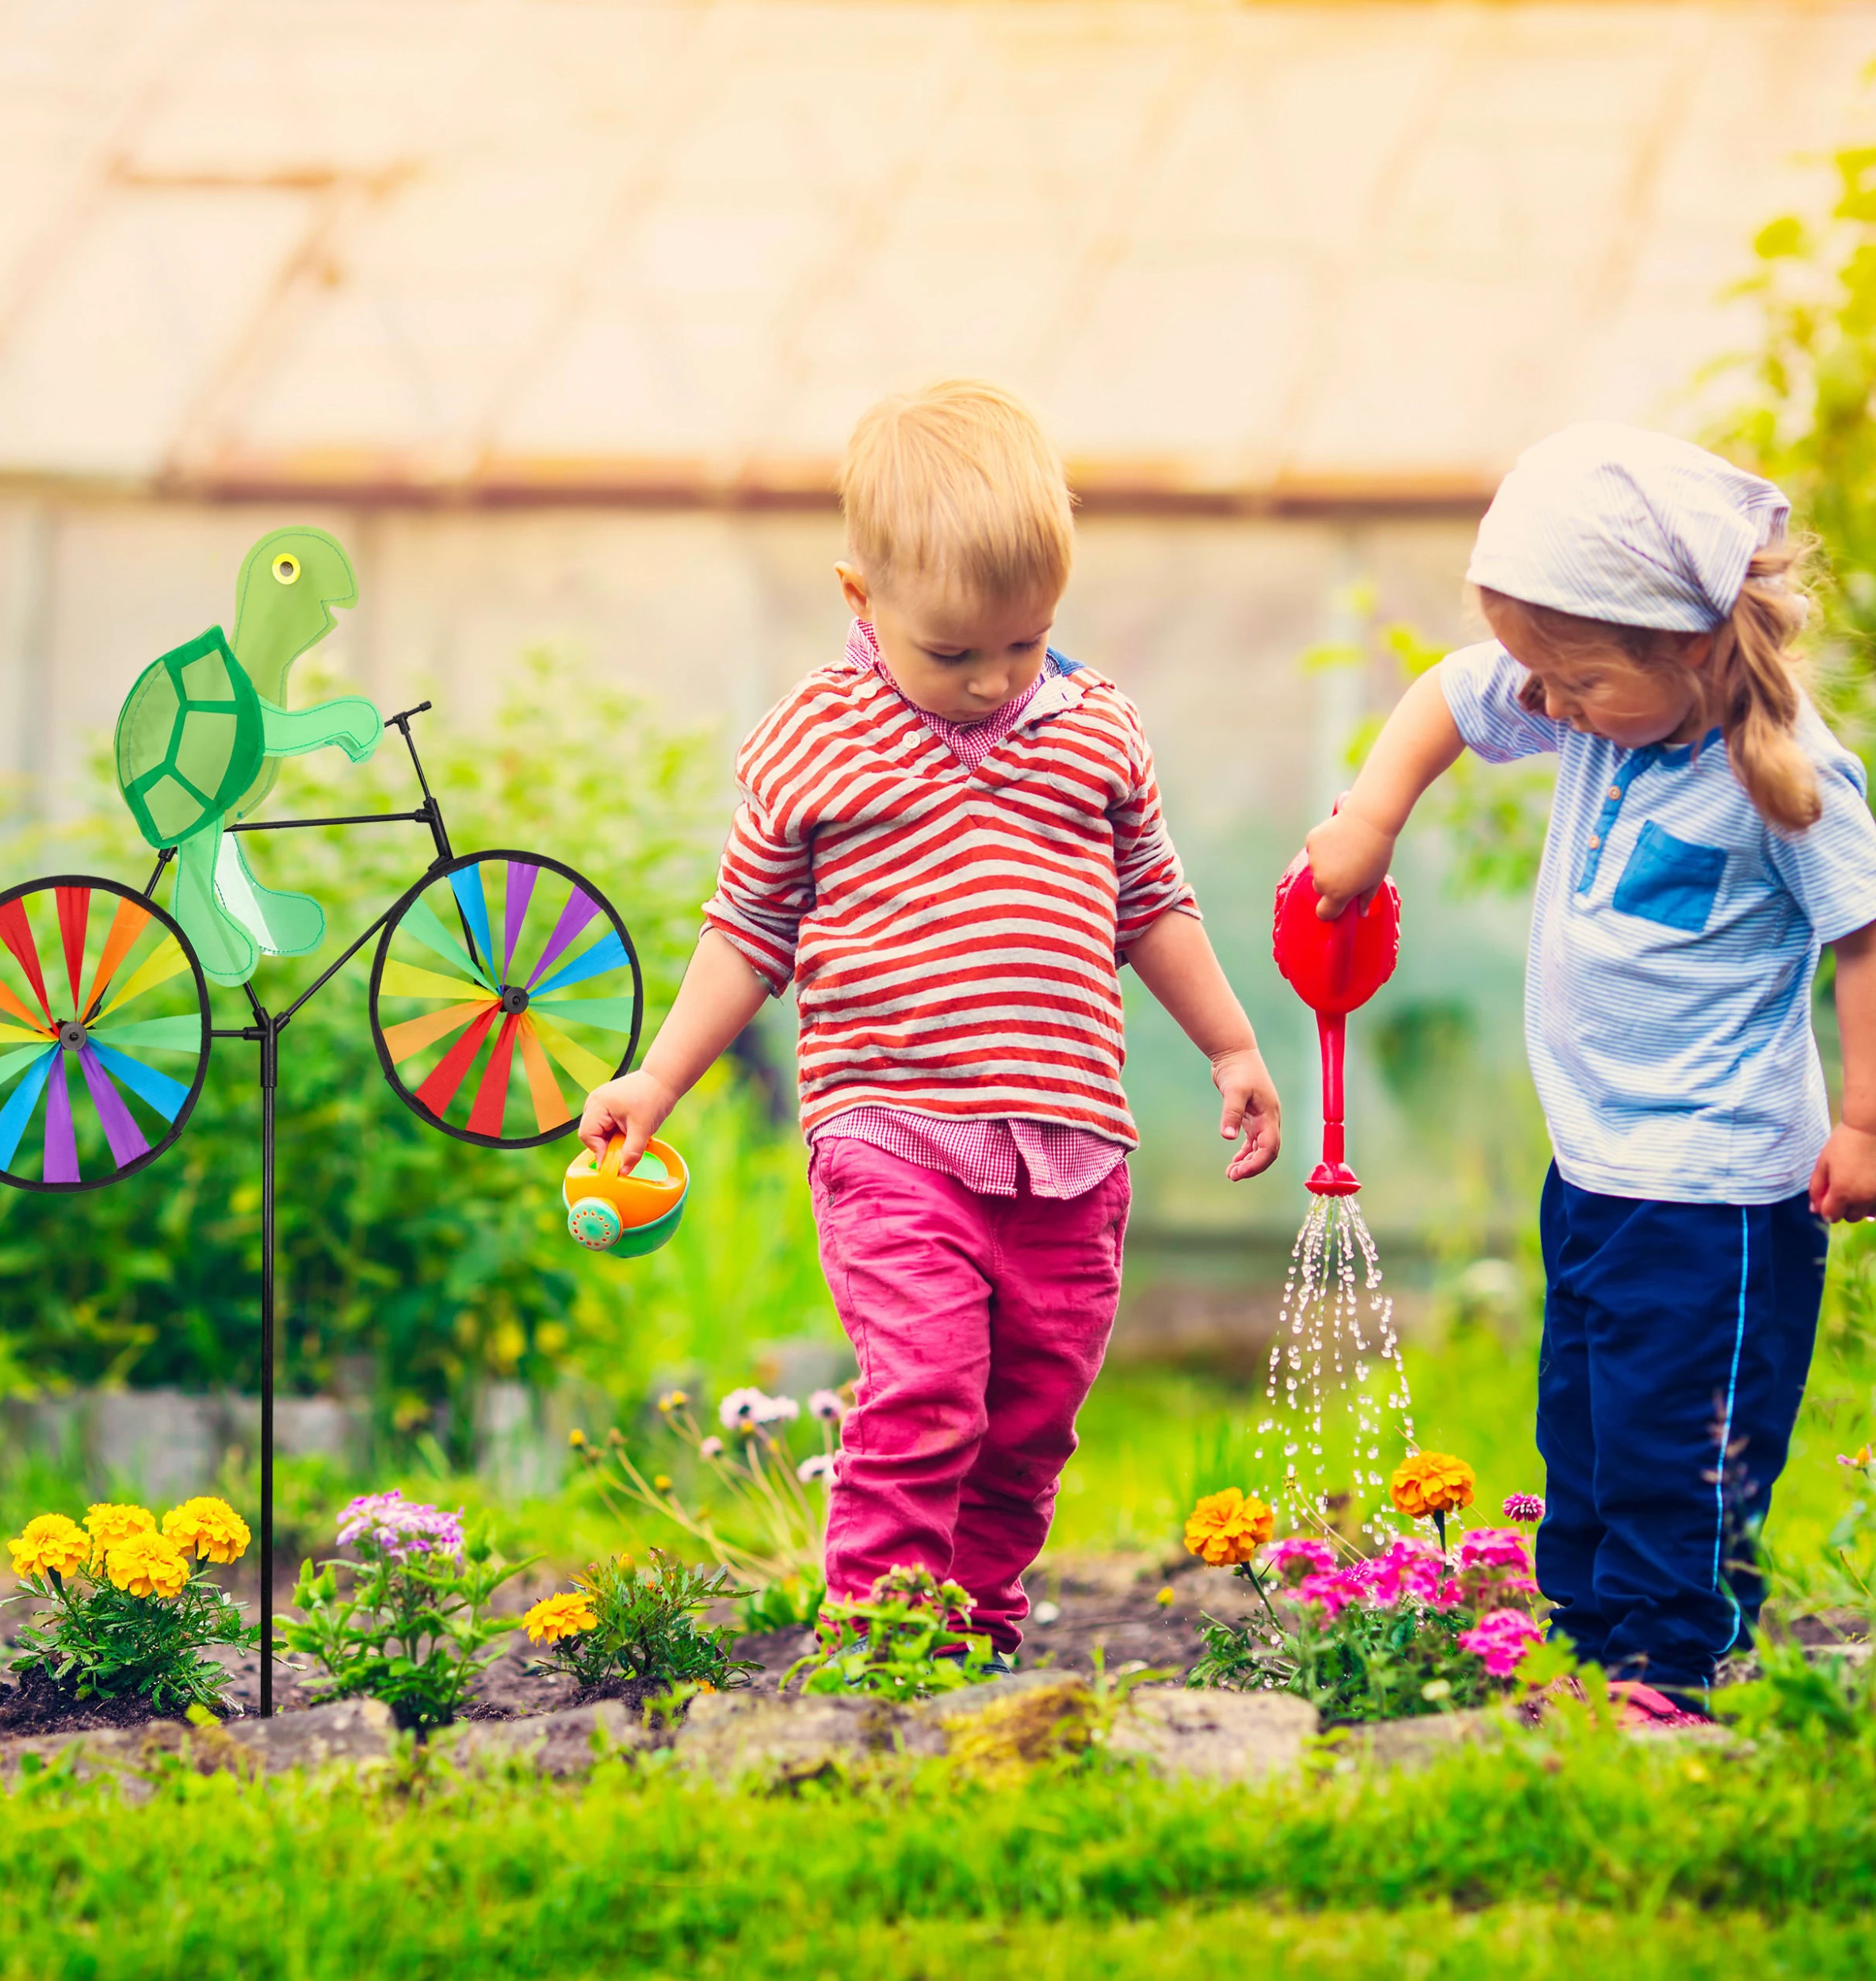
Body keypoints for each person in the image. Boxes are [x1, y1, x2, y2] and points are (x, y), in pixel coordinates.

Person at [581, 380, 1282, 1660]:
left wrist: (1232, 1045)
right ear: (861, 599)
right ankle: (880, 1634)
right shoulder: (815, 740)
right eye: (952, 654)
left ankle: (977, 1624)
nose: (991, 681)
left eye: (1023, 645)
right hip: (890, 1130)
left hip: (1071, 1145)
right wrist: (659, 1081)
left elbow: (1154, 905)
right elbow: (747, 933)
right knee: (926, 1386)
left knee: (1030, 1413)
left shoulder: (1096, 733)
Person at [1303, 421, 1876, 1717]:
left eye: (1569, 685)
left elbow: (1863, 936)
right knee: (1591, 1415)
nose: (1545, 708)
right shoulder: (1598, 696)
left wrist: (1864, 1121)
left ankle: (1673, 1660)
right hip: (1599, 1163)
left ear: (1684, 645)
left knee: (1684, 1433)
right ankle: (1591, 1635)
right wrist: (1373, 820)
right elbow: (1449, 695)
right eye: (1539, 681)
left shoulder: (1784, 779)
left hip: (1720, 1188)